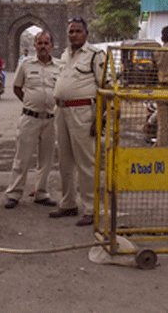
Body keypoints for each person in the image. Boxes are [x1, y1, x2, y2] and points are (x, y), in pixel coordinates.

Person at [50, 17, 106, 227]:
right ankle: (68, 203)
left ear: (86, 34)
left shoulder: (95, 55)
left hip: (83, 112)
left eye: (77, 31)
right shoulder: (66, 55)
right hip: (61, 111)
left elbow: (106, 86)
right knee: (64, 160)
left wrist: (100, 117)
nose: (73, 34)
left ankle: (92, 209)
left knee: (86, 162)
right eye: (71, 31)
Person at [4, 31, 59, 209]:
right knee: (22, 157)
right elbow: (17, 88)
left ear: (52, 45)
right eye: (40, 43)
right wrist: (31, 103)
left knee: (46, 159)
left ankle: (41, 193)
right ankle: (14, 193)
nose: (43, 46)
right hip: (30, 117)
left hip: (51, 119)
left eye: (46, 43)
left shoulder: (59, 66)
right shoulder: (26, 65)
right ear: (35, 46)